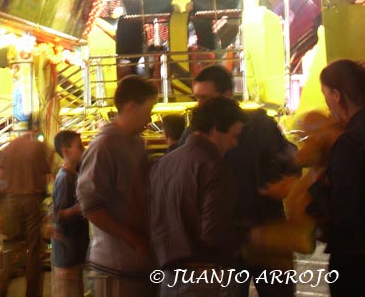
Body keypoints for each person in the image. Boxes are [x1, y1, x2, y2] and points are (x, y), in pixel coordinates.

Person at [186, 65, 297, 297]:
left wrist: (289, 181)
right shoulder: (195, 133)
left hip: (266, 234)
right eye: (197, 98)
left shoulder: (259, 125)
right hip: (225, 241)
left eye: (206, 98)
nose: (200, 105)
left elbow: (291, 159)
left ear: (227, 96)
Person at [149, 96, 247, 295]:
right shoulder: (215, 167)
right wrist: (249, 239)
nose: (235, 143)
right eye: (233, 135)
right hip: (204, 279)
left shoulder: (164, 163)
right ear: (214, 129)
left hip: (168, 279)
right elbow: (213, 234)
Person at [76, 74, 158, 297]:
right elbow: (91, 207)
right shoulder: (104, 145)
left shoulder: (136, 142)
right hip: (115, 266)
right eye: (148, 109)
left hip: (137, 263)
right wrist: (135, 240)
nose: (150, 118)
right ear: (131, 106)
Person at [307, 58, 365, 296]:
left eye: (325, 94)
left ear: (337, 95)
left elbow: (344, 210)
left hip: (355, 257)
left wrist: (316, 186)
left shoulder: (350, 142)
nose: (327, 103)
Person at [0, 119, 52, 297]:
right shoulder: (38, 148)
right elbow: (46, 176)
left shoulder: (10, 147)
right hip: (31, 201)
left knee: (12, 248)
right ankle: (32, 293)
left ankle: (0, 289)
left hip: (11, 203)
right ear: (35, 130)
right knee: (34, 252)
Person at [51, 130, 89, 297]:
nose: (83, 149)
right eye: (79, 146)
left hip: (74, 254)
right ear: (66, 152)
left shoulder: (74, 175)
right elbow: (58, 214)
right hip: (66, 258)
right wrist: (81, 207)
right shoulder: (64, 179)